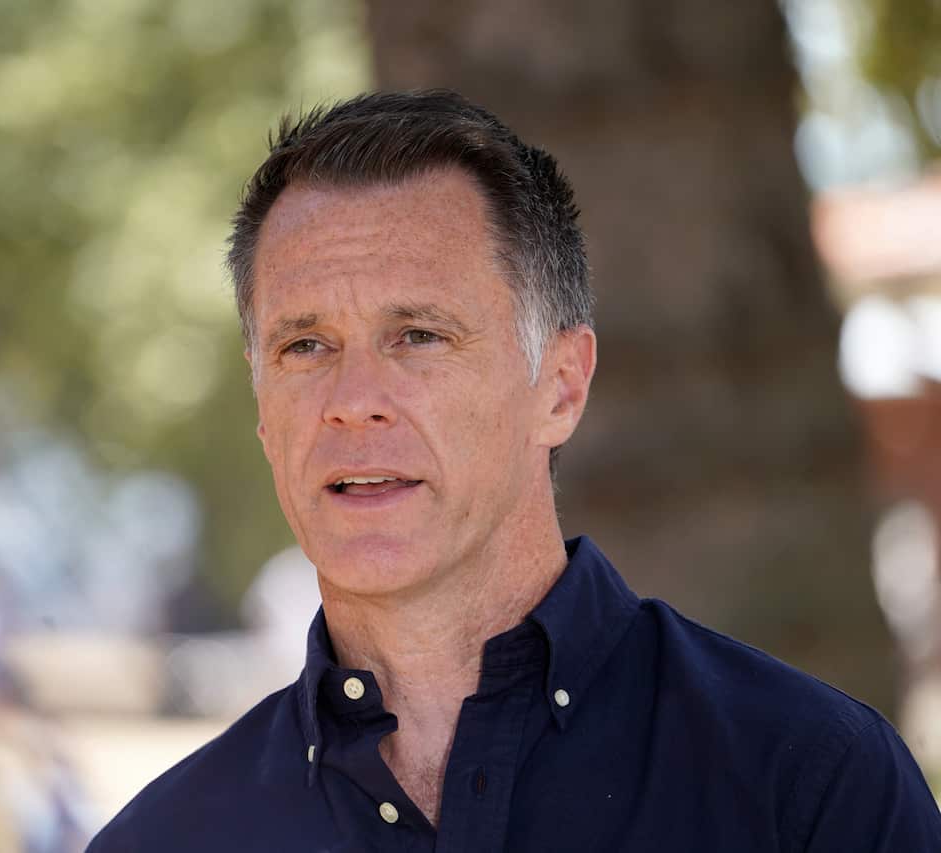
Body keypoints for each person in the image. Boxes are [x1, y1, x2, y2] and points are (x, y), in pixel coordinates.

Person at [86, 90, 941, 851]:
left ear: (561, 387)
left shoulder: (808, 785)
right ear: (263, 406)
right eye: (305, 345)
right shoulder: (163, 840)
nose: (353, 402)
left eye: (418, 335)